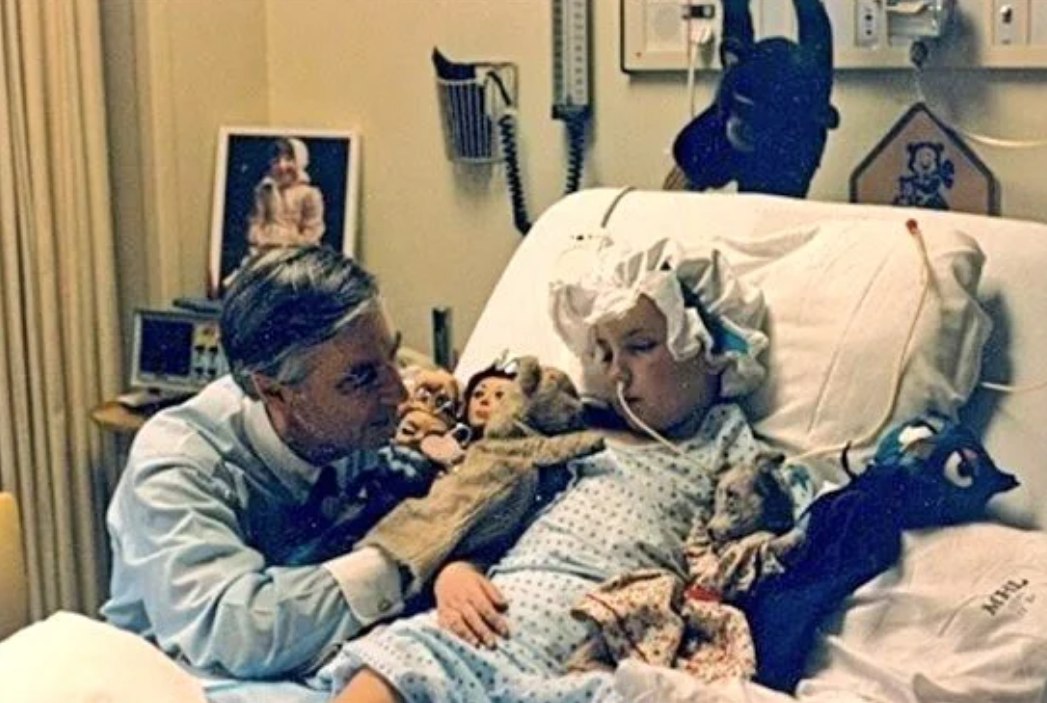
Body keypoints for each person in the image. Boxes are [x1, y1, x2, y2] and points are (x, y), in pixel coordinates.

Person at [318, 236, 770, 702]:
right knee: (399, 659)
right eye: (605, 354)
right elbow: (497, 515)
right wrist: (457, 571)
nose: (617, 372)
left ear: (710, 348)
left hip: (606, 642)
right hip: (496, 616)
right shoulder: (576, 437)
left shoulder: (723, 444)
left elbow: (755, 544)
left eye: (640, 346)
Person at [102, 245, 439, 681]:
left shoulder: (361, 410)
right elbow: (237, 632)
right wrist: (405, 557)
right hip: (174, 677)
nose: (399, 392)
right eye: (361, 378)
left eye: (393, 356)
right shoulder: (178, 463)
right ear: (274, 392)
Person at [247, 136, 326, 251]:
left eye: (289, 160)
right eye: (276, 161)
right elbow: (255, 223)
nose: (282, 166)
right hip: (266, 247)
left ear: (300, 161)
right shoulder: (264, 190)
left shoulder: (310, 194)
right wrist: (260, 238)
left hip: (297, 250)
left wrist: (289, 243)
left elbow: (312, 231)